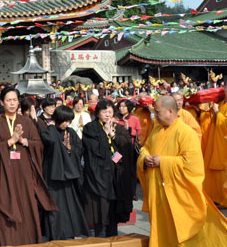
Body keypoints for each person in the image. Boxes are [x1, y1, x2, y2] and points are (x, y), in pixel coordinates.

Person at [137, 96, 227, 247]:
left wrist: (163, 162)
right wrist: (145, 159)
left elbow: (192, 165)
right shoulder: (157, 129)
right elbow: (145, 147)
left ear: (170, 111)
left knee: (180, 234)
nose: (155, 115)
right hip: (157, 192)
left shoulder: (186, 133)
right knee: (160, 230)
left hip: (177, 195)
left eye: (157, 112)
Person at [0, 87, 57, 246]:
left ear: (18, 102)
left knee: (28, 207)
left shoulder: (27, 122)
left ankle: (30, 241)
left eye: (14, 100)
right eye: (8, 100)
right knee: (6, 206)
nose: (12, 103)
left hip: (25, 173)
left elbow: (39, 145)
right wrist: (10, 141)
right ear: (2, 102)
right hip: (5, 174)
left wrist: (24, 141)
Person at [82, 99, 134, 238]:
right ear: (97, 113)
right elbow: (92, 150)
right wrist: (104, 134)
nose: (107, 115)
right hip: (99, 174)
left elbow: (127, 145)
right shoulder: (90, 128)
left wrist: (113, 135)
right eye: (104, 111)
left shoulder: (118, 127)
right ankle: (100, 237)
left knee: (114, 207)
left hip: (116, 173)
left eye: (110, 112)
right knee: (101, 208)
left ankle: (113, 236)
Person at [40, 105, 89, 241]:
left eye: (69, 121)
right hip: (53, 177)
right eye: (64, 121)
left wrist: (69, 149)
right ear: (57, 118)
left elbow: (79, 150)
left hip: (68, 178)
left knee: (70, 208)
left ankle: (70, 233)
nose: (66, 124)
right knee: (55, 209)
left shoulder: (71, 132)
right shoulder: (49, 131)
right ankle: (54, 235)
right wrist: (61, 145)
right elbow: (48, 143)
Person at [201, 83, 227, 207]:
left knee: (222, 169)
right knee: (212, 168)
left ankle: (224, 197)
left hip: (224, 142)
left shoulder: (220, 106)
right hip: (215, 139)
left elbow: (224, 123)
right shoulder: (221, 103)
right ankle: (215, 196)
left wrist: (217, 112)